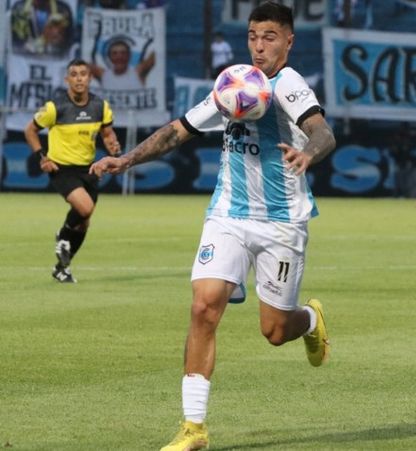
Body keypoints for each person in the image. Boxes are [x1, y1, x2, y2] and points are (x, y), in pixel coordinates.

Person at [90, 3, 335, 450]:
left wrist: (308, 153)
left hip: (282, 221)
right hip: (228, 214)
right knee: (204, 307)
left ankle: (310, 320)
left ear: (289, 41)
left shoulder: (288, 85)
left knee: (275, 331)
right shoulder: (234, 86)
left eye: (270, 37)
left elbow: (322, 131)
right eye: (253, 36)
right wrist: (126, 160)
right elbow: (177, 130)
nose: (259, 46)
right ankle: (194, 428)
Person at [24, 58, 122, 283]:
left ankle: (62, 268)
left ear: (90, 78)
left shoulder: (100, 106)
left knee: (84, 221)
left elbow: (107, 133)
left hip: (88, 169)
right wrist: (42, 157)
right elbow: (30, 130)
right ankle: (63, 234)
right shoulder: (54, 107)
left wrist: (112, 144)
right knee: (84, 208)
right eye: (74, 74)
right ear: (67, 79)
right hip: (62, 168)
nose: (79, 78)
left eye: (83, 74)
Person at [91, 37, 156, 90]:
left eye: (123, 53)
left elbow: (156, 53)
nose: (119, 57)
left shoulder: (138, 72)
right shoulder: (103, 74)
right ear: (109, 57)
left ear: (129, 56)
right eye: (114, 53)